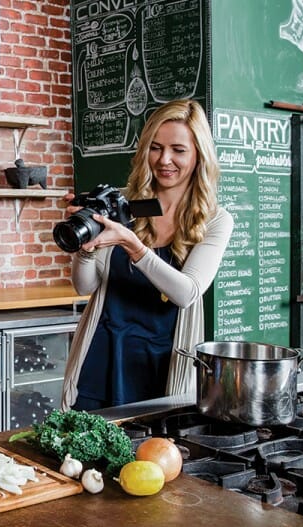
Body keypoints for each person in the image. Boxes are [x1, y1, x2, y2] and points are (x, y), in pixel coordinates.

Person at [61, 98, 233, 410]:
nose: (164, 159)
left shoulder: (214, 219)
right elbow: (84, 287)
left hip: (163, 365)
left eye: (178, 150)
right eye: (155, 147)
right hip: (102, 355)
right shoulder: (121, 205)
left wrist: (133, 246)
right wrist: (84, 247)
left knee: (152, 456)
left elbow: (186, 292)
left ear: (198, 156)